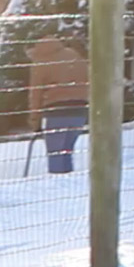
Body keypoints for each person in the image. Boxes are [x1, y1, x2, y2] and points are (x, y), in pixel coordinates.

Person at [27, 37, 88, 174]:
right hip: (80, 109)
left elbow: (35, 94)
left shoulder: (41, 62)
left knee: (55, 154)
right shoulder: (73, 54)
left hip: (56, 111)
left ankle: (56, 186)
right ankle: (67, 185)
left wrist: (35, 122)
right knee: (67, 151)